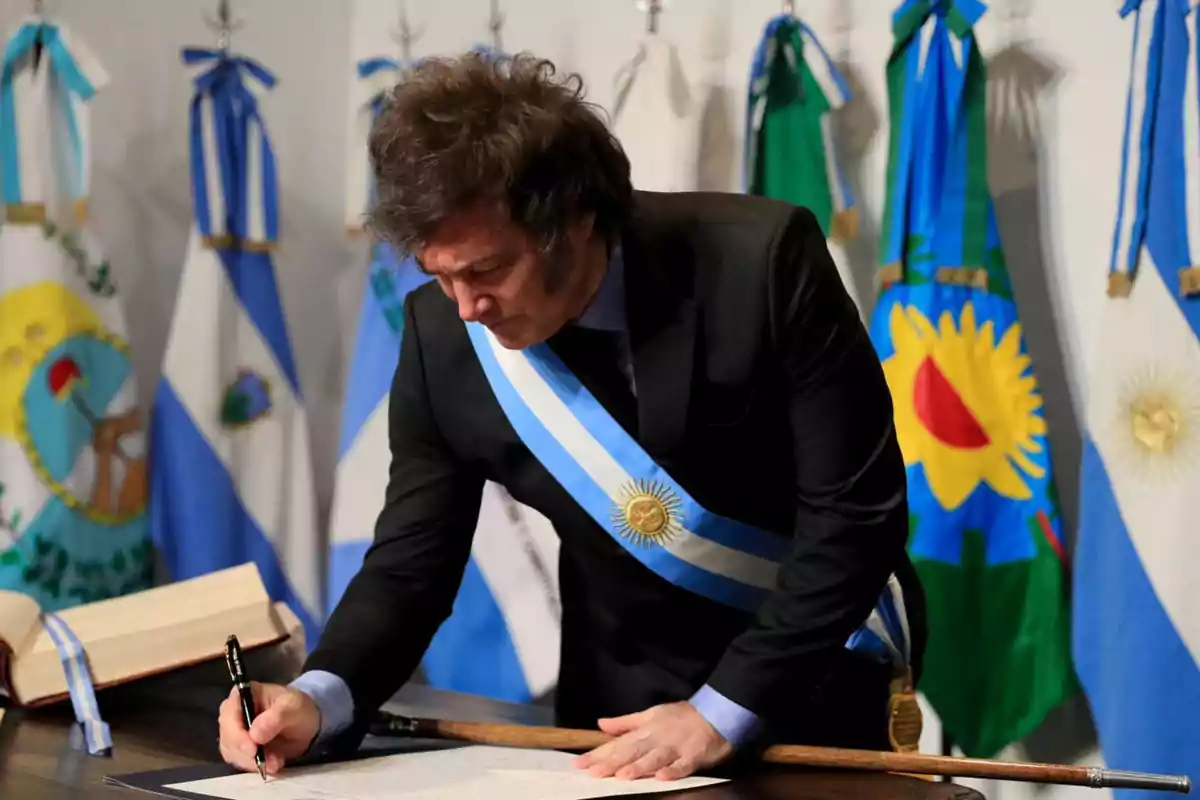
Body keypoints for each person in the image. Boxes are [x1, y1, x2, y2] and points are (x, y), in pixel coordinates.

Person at [217, 51, 926, 782]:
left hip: (808, 695)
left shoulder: (762, 262)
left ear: (575, 218)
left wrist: (721, 711)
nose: (466, 308)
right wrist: (317, 697)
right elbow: (411, 564)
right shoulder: (440, 337)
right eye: (441, 275)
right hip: (612, 720)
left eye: (487, 270)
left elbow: (855, 516)